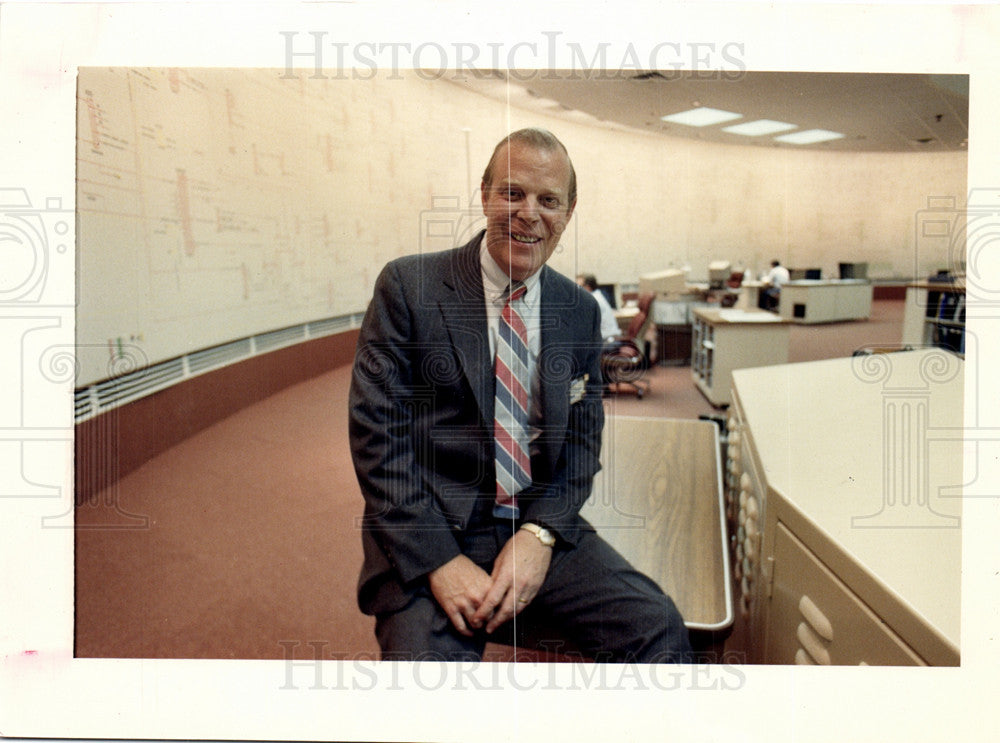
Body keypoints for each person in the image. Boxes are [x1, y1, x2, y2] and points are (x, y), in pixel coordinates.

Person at [348, 128, 691, 662]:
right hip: (430, 527)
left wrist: (539, 534)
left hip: (534, 519)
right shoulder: (408, 288)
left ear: (568, 211)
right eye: (513, 193)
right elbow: (378, 441)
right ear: (485, 194)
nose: (529, 213)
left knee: (660, 629)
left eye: (548, 200)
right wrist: (440, 561)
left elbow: (582, 445)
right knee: (424, 690)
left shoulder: (576, 310)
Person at [576, 273, 621, 344]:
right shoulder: (596, 296)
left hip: (607, 341)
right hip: (607, 338)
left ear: (587, 287)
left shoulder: (592, 300)